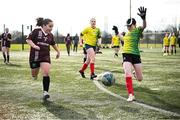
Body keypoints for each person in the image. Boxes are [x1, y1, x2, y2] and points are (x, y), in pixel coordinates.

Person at [113, 6, 147, 102]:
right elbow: (123, 39)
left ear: (134, 25)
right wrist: (117, 32)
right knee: (127, 73)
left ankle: (135, 74)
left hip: (136, 55)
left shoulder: (137, 30)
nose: (128, 27)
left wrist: (144, 19)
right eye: (127, 26)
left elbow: (144, 26)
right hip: (126, 54)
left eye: (130, 25)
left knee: (140, 78)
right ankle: (131, 94)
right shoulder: (126, 33)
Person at [26, 18, 60, 100]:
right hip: (35, 56)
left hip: (45, 56)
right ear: (44, 25)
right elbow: (28, 39)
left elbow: (53, 44)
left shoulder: (50, 35)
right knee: (34, 73)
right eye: (50, 26)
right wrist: (34, 46)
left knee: (46, 72)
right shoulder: (36, 31)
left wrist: (58, 51)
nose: (51, 28)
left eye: (52, 27)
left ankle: (46, 92)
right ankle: (35, 75)